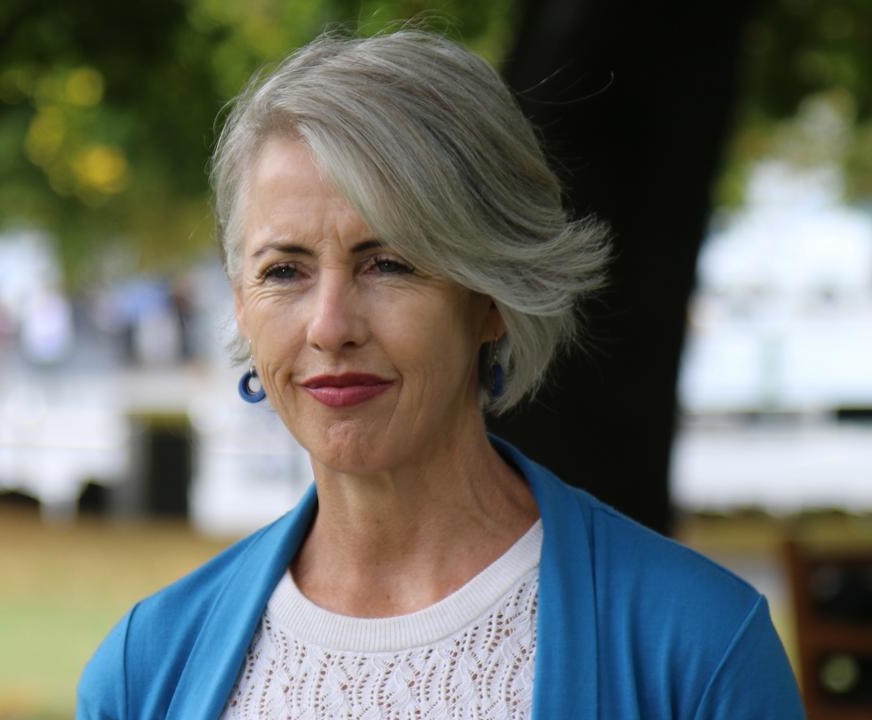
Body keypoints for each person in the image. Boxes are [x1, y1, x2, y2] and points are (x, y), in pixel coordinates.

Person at [78, 29, 803, 719]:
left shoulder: (698, 649)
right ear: (240, 303)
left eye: (388, 263)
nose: (331, 326)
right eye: (285, 270)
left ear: (491, 295)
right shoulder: (146, 670)